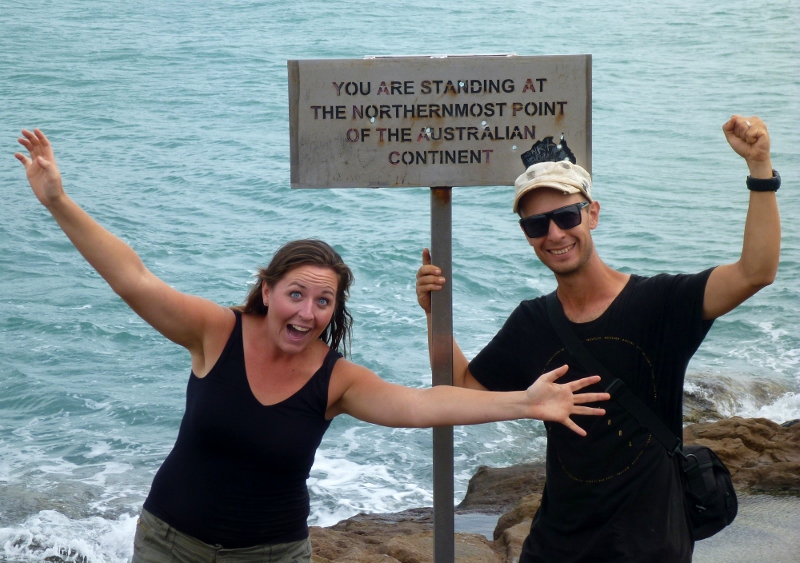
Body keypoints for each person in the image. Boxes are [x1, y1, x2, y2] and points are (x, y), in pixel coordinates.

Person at [13, 129, 610, 563]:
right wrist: (59, 202)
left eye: (323, 302)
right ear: (267, 290)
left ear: (333, 313)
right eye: (296, 294)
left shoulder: (336, 379)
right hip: (171, 545)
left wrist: (525, 402)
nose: (307, 312)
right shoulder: (214, 331)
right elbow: (134, 277)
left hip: (274, 555)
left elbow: (421, 405)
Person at [415, 115, 780, 562]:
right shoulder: (533, 321)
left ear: (592, 214)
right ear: (526, 235)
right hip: (556, 544)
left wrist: (760, 169)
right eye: (536, 225)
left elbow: (755, 272)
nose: (554, 234)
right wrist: (437, 316)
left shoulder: (659, 303)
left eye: (566, 216)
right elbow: (464, 390)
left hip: (650, 546)